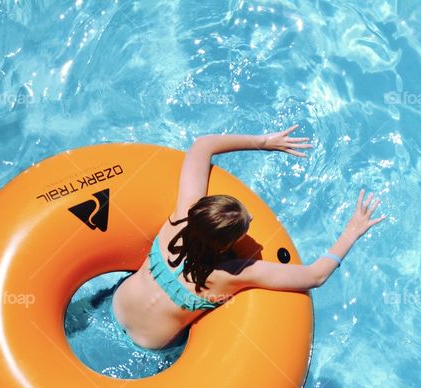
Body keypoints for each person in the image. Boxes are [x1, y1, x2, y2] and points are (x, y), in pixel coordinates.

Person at [109, 124, 387, 350]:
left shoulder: (180, 217)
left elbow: (202, 145)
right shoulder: (231, 274)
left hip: (115, 304)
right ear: (227, 245)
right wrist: (352, 231)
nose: (252, 220)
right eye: (245, 226)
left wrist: (264, 142)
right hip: (150, 347)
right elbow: (315, 276)